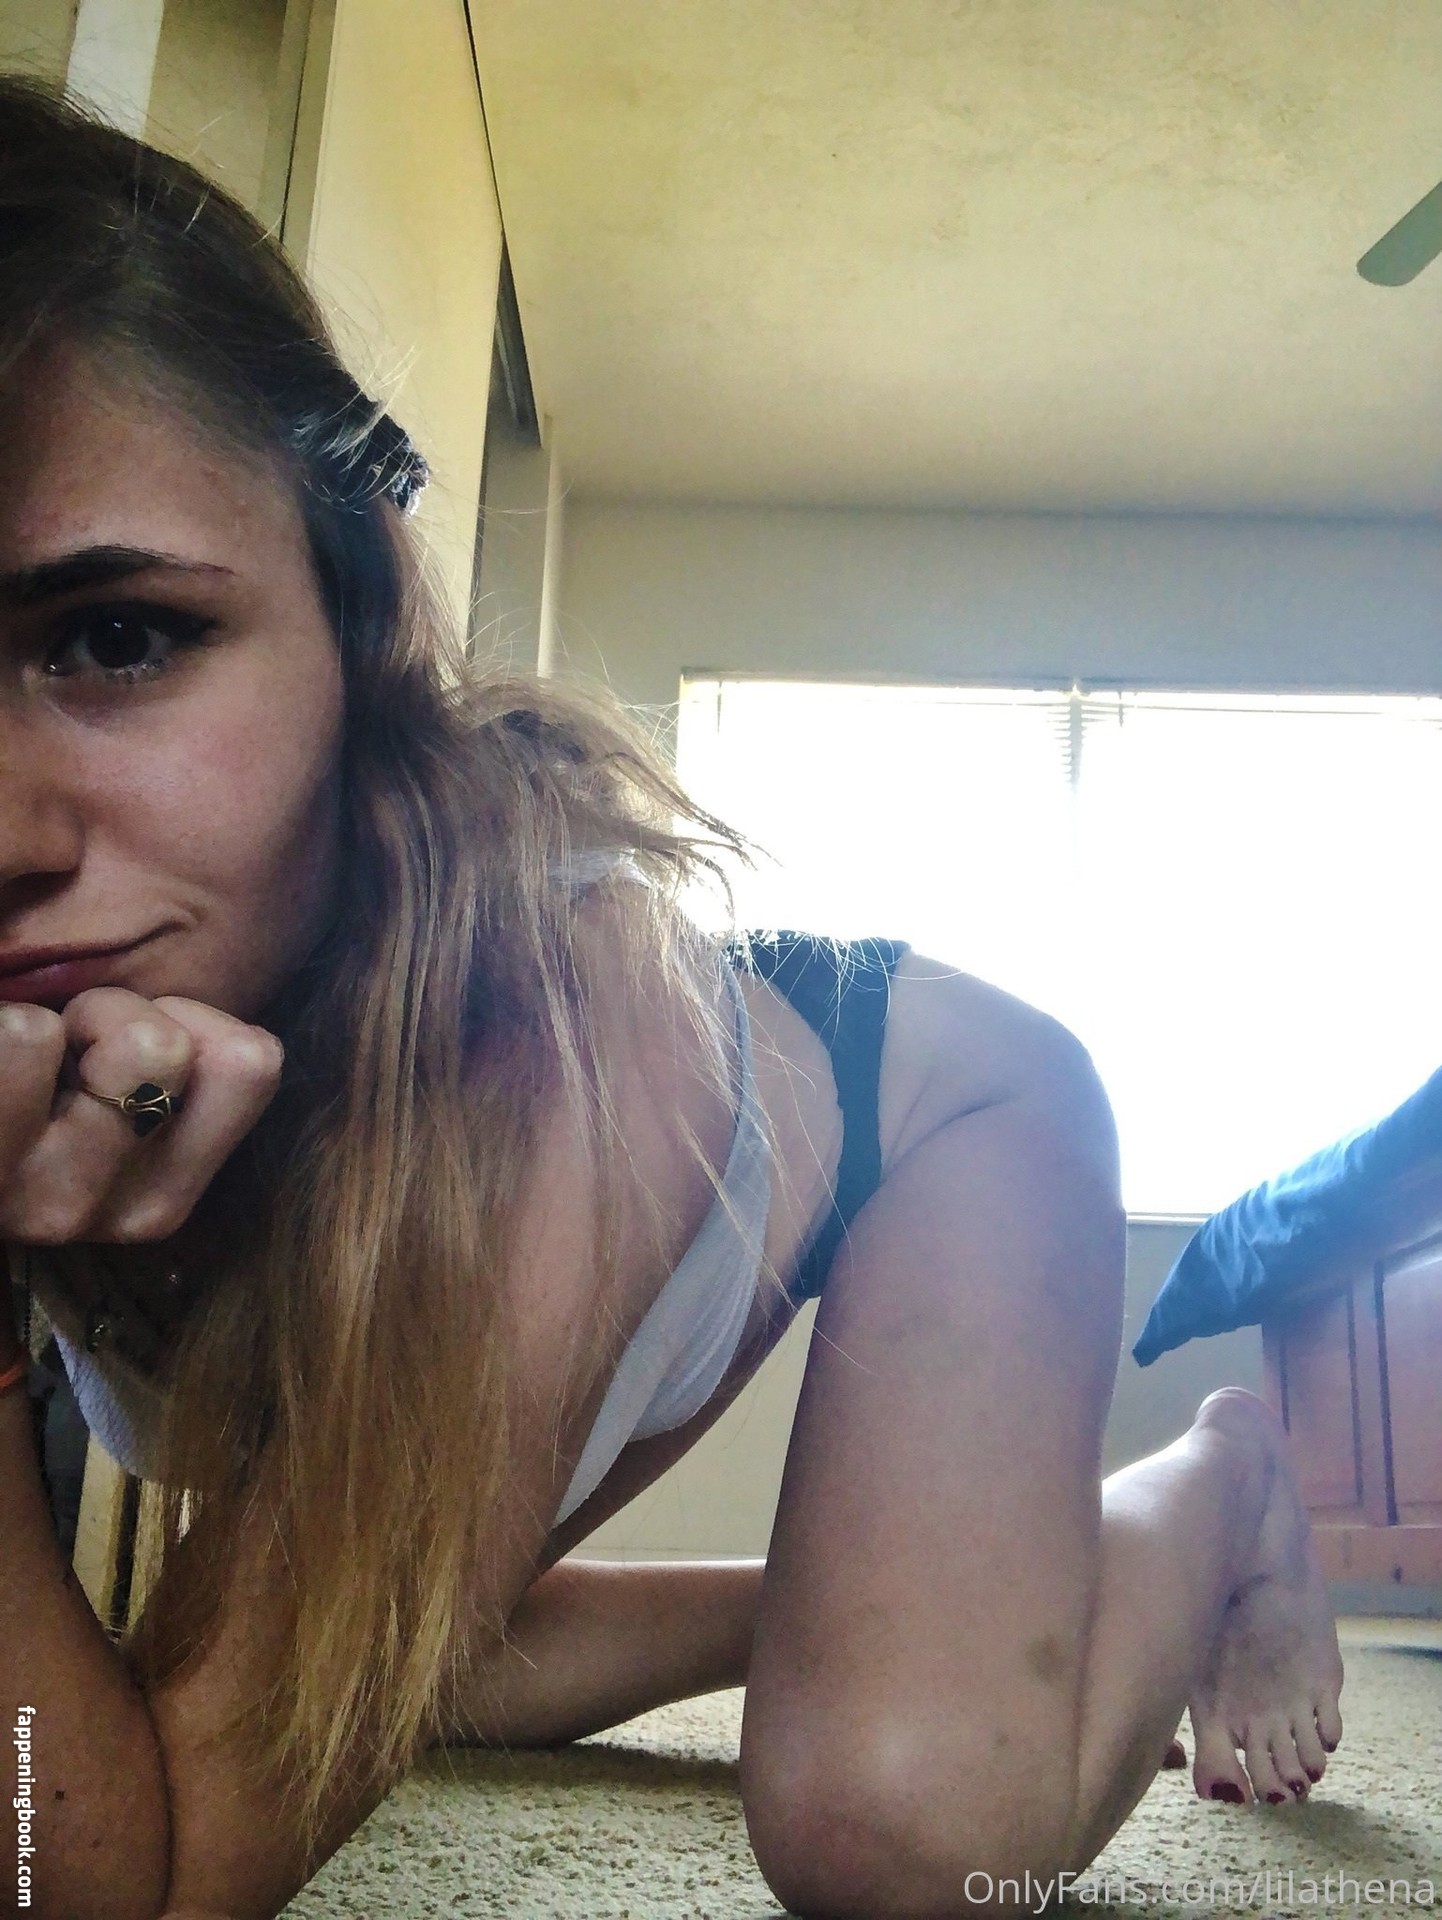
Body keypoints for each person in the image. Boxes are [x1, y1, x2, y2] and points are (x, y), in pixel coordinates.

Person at [0, 76, 1343, 1920]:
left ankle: (1217, 1488)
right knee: (406, 1663)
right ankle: (844, 1608)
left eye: (116, 638)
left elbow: (111, 1890)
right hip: (656, 1119)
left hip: (922, 1094)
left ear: (357, 622)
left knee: (904, 1830)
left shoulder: (536, 1062)